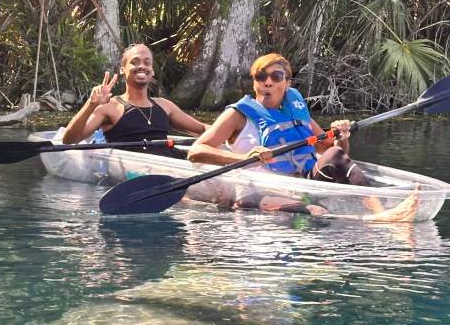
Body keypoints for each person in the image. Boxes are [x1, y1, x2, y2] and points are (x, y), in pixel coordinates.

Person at [187, 52, 419, 221]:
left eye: (276, 76)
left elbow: (335, 153)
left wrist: (341, 135)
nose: (267, 81)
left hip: (302, 183)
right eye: (260, 76)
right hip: (258, 190)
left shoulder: (297, 112)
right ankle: (377, 222)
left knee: (335, 154)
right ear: (255, 82)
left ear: (287, 83)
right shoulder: (238, 114)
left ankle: (381, 214)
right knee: (316, 213)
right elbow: (196, 153)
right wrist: (246, 158)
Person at [62, 43, 207, 158]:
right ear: (122, 70)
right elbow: (69, 140)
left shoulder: (165, 105)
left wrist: (228, 131)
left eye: (147, 62)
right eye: (135, 62)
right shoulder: (109, 107)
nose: (142, 66)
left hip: (170, 163)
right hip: (135, 171)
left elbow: (202, 129)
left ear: (152, 71)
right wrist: (91, 104)